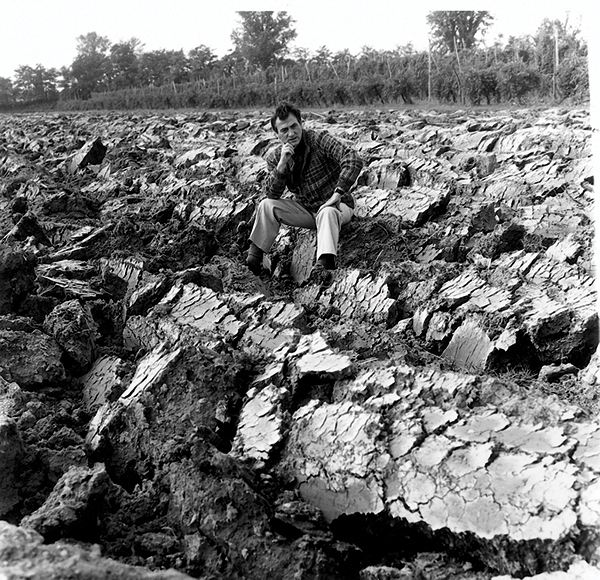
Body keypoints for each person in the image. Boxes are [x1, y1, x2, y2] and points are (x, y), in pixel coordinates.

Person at [246, 102, 363, 284]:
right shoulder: (276, 158)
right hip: (308, 211)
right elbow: (272, 194)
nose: (291, 133)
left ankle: (324, 265)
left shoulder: (319, 140)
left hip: (338, 207)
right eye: (284, 130)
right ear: (277, 135)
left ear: (301, 124)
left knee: (327, 211)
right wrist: (282, 165)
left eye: (294, 126)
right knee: (266, 205)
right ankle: (254, 259)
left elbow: (353, 158)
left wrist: (338, 193)